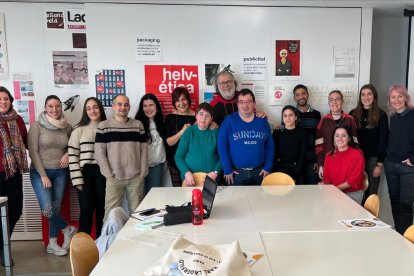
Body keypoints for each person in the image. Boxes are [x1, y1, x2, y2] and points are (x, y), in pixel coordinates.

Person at [28, 95, 77, 256]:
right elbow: (33, 152)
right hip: (40, 172)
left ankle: (53, 243)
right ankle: (67, 228)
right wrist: (43, 175)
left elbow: (74, 144)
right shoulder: (37, 126)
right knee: (47, 209)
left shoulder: (67, 127)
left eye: (57, 106)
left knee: (55, 208)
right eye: (50, 106)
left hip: (61, 172)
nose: (54, 110)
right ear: (45, 108)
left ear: (61, 108)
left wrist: (68, 153)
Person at [95, 94, 148, 220]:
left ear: (129, 107)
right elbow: (99, 153)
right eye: (119, 104)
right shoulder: (104, 126)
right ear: (113, 106)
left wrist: (143, 173)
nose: (123, 107)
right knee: (110, 215)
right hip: (114, 179)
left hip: (136, 178)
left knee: (138, 215)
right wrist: (108, 175)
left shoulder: (138, 125)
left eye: (126, 104)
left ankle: (136, 239)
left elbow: (144, 151)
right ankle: (109, 240)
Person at [68, 97, 107, 238]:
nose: (92, 111)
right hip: (85, 173)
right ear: (85, 111)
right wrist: (76, 179)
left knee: (103, 210)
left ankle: (101, 243)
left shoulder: (108, 127)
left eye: (95, 107)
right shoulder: (78, 129)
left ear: (100, 109)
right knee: (86, 209)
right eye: (88, 108)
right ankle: (82, 245)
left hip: (103, 173)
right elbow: (72, 154)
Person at [218, 89, 274, 186]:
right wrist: (227, 168)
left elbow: (270, 145)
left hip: (260, 172)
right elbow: (222, 146)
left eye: (249, 102)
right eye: (241, 102)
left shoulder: (262, 121)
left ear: (254, 103)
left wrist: (268, 166)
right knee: (237, 200)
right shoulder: (229, 121)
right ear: (237, 104)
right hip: (236, 173)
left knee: (260, 200)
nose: (245, 105)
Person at [0, 86, 28, 265]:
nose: (3, 102)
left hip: (14, 172)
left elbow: (26, 142)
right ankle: (3, 250)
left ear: (10, 100)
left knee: (15, 210)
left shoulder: (17, 120)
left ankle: (3, 245)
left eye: (6, 98)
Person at [350, 84, 388, 203]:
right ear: (360, 97)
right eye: (363, 94)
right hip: (356, 159)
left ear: (374, 97)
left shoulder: (381, 115)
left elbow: (384, 141)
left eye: (369, 94)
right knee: (356, 191)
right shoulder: (353, 113)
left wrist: (380, 164)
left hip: (373, 160)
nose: (366, 97)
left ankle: (368, 220)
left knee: (371, 193)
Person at [384, 84, 414, 235]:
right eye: (393, 97)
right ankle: (399, 233)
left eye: (400, 96)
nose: (397, 100)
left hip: (408, 168)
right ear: (390, 100)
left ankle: (406, 238)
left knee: (406, 204)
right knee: (394, 202)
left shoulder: (413, 115)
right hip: (391, 166)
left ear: (406, 98)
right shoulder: (393, 117)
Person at [175, 103, 221, 186]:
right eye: (201, 114)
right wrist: (186, 173)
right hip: (190, 179)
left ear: (211, 119)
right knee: (189, 199)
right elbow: (178, 156)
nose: (203, 118)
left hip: (211, 179)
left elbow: (223, 156)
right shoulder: (189, 132)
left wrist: (215, 172)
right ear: (196, 116)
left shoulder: (216, 132)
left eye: (207, 116)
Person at [315, 90, 358, 180]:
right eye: (331, 100)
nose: (334, 102)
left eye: (337, 99)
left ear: (342, 102)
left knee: (345, 190)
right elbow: (319, 146)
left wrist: (355, 165)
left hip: (347, 165)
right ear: (328, 103)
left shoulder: (350, 119)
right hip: (328, 164)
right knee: (328, 192)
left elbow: (355, 144)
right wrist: (320, 165)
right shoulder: (323, 120)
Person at [322, 124, 365, 204]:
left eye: (344, 136)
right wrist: (324, 186)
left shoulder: (357, 154)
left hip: (352, 193)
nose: (340, 139)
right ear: (333, 138)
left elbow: (352, 181)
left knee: (338, 210)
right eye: (337, 136)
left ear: (349, 138)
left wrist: (334, 190)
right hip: (334, 192)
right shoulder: (329, 156)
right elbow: (327, 179)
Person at [135, 94, 166, 195]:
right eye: (145, 106)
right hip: (139, 168)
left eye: (151, 105)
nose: (148, 108)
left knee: (154, 198)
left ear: (156, 107)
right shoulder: (136, 124)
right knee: (138, 199)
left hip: (156, 167)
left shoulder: (162, 122)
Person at [164, 87, 196, 187]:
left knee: (195, 191)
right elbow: (168, 142)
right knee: (178, 193)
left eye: (184, 99)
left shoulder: (198, 116)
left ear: (188, 100)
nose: (181, 103)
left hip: (193, 162)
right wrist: (182, 131)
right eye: (177, 100)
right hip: (174, 163)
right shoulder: (170, 118)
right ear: (174, 102)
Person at [293, 84, 321, 184]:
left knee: (312, 193)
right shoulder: (290, 114)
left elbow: (319, 139)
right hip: (295, 161)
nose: (301, 97)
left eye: (303, 93)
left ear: (308, 95)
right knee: (295, 194)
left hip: (311, 161)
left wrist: (318, 161)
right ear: (294, 98)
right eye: (297, 95)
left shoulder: (316, 114)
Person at [272, 105, 307, 183]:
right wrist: (278, 173)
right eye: (285, 116)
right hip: (279, 170)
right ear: (282, 118)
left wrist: (295, 176)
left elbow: (302, 156)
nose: (288, 118)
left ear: (296, 117)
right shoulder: (277, 133)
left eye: (290, 115)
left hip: (297, 170)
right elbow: (274, 154)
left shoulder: (303, 133)